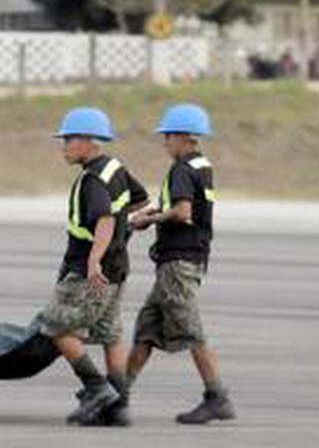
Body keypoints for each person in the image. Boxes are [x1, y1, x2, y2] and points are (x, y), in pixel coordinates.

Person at [128, 103, 236, 425]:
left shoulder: (182, 169)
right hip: (185, 261)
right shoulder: (203, 166)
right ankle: (116, 392)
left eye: (168, 136)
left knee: (191, 331)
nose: (165, 142)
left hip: (179, 263)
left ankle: (218, 397)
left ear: (185, 137)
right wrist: (152, 214)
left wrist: (148, 221)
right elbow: (185, 208)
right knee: (147, 330)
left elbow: (182, 212)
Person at [39, 107, 147, 426]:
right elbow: (140, 201)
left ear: (89, 141)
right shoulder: (115, 168)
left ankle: (97, 389)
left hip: (91, 273)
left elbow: (103, 218)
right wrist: (127, 229)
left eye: (69, 139)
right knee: (109, 334)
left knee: (57, 327)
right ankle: (119, 405)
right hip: (118, 269)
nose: (64, 146)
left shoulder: (92, 180)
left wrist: (94, 258)